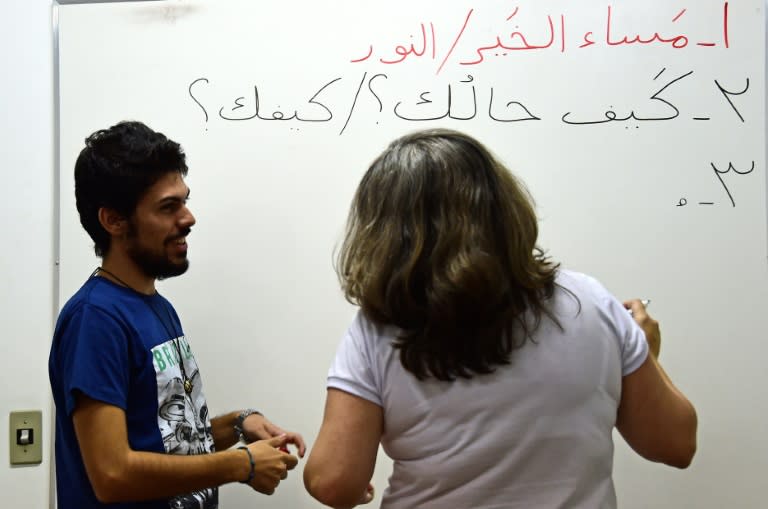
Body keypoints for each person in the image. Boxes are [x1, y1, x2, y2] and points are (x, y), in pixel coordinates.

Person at [303, 129, 697, 509]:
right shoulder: (591, 301)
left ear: (384, 232)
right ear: (504, 207)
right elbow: (675, 445)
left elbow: (333, 482)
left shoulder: (380, 326)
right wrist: (645, 352)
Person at [48, 120, 306, 509]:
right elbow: (112, 473)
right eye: (169, 207)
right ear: (113, 220)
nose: (188, 218)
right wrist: (241, 464)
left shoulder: (156, 307)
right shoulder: (95, 319)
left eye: (184, 201)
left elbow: (172, 440)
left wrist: (238, 424)